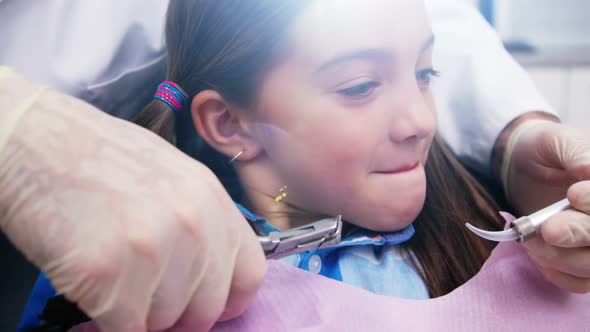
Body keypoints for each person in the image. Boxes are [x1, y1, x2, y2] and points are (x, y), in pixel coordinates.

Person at [3, 0, 589, 331]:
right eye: (360, 87)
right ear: (229, 125)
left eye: (425, 74)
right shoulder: (140, 279)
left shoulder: (511, 255)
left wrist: (516, 139)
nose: (421, 121)